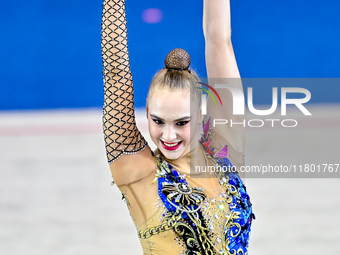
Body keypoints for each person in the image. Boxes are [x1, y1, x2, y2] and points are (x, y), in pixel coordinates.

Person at [101, 0, 255, 254]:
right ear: (147, 112)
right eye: (158, 121)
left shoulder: (224, 150)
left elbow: (220, 40)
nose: (168, 135)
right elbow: (115, 72)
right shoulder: (139, 173)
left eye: (181, 122)